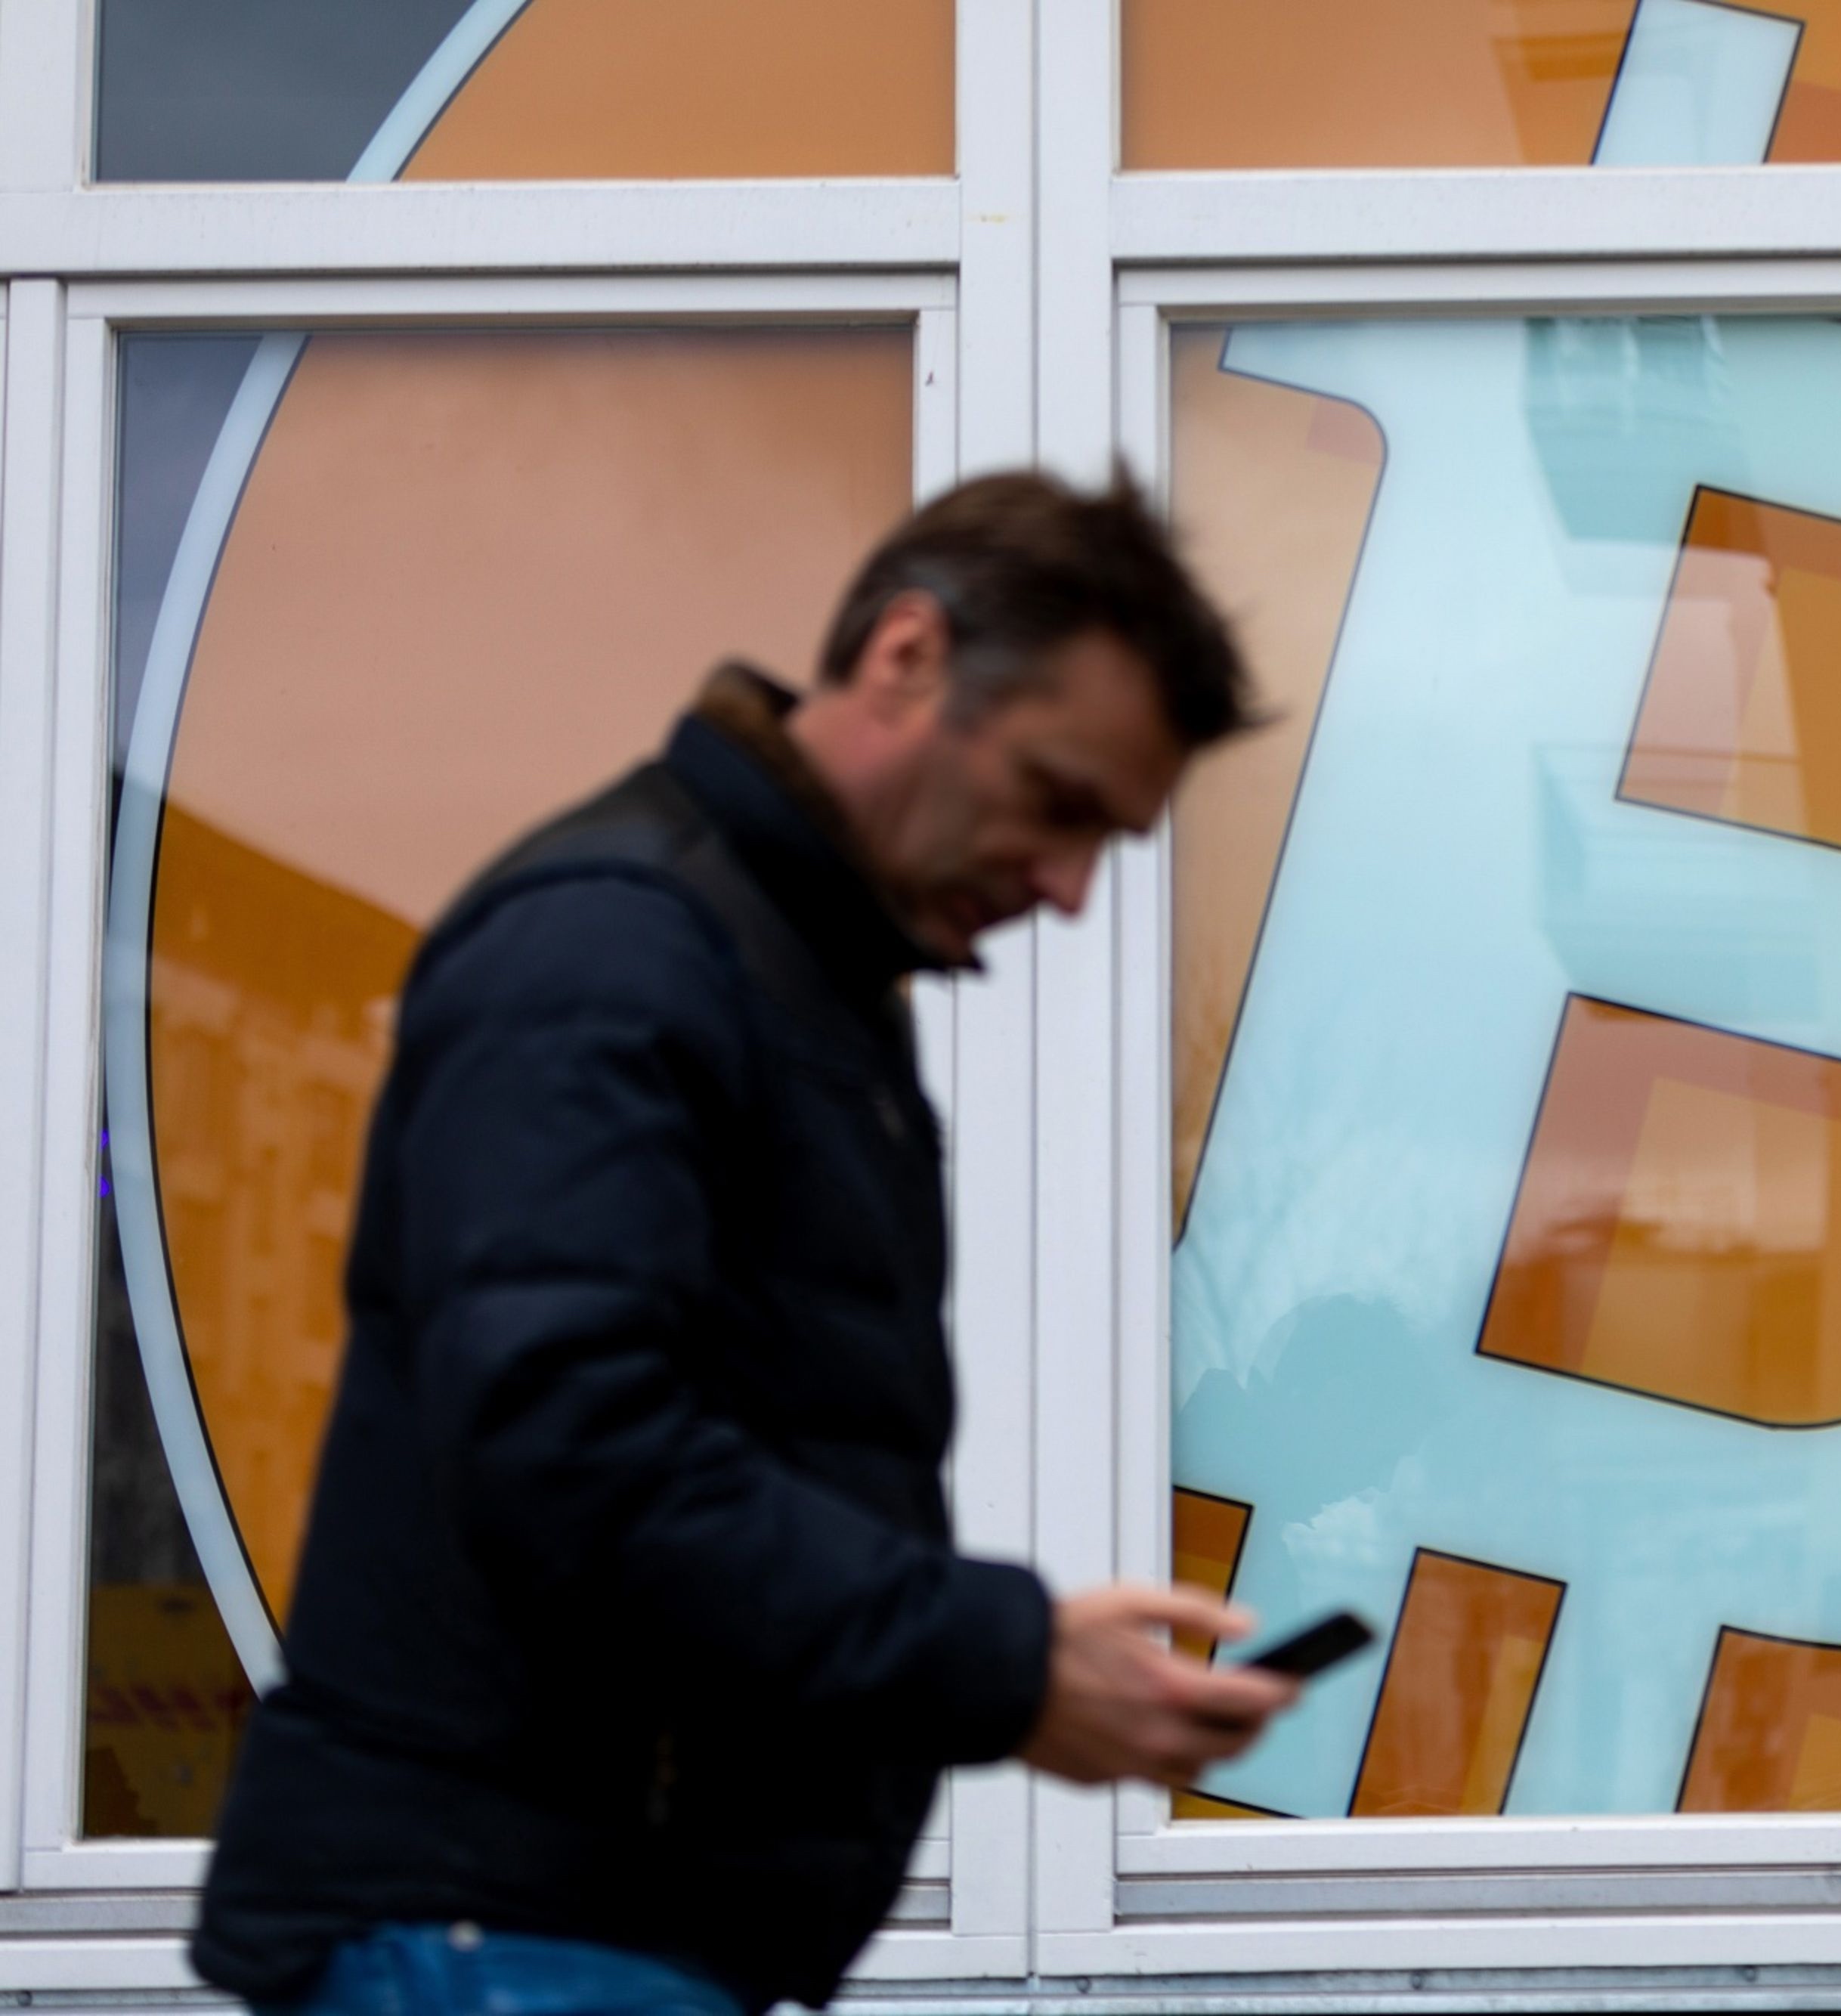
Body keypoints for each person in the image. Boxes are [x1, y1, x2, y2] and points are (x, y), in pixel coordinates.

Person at [190, 473, 1299, 2015]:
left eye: (1107, 837)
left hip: (568, 1935)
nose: (1066, 886)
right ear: (904, 654)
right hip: (500, 1940)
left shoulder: (785, 982)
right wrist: (1006, 1658)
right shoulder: (617, 952)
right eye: (1057, 799)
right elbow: (574, 1450)